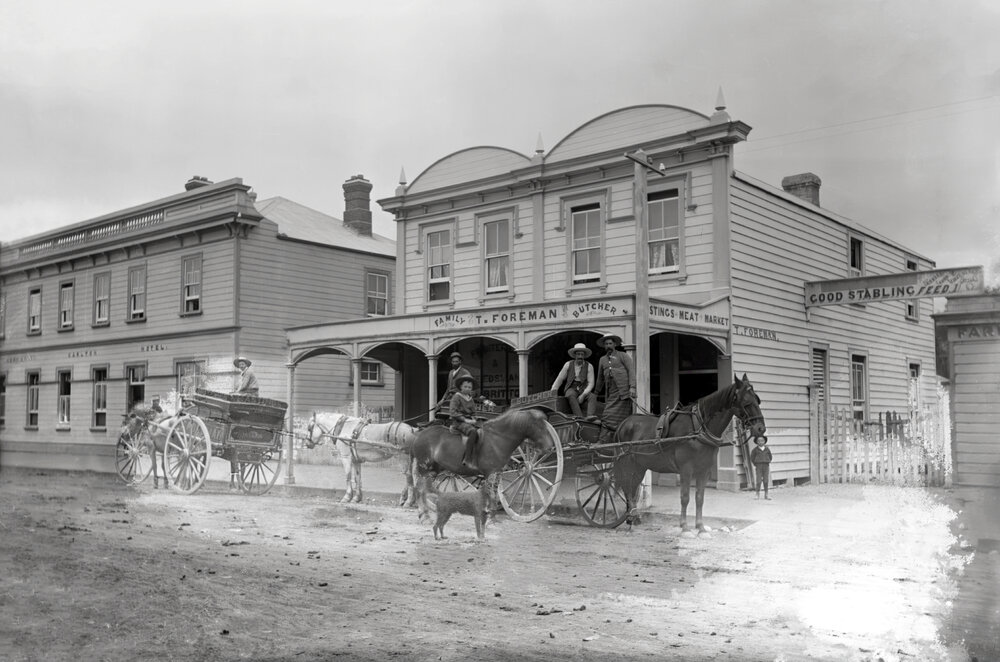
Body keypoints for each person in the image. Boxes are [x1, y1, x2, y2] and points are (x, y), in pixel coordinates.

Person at [594, 334, 636, 443]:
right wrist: (595, 392)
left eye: (610, 343)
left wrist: (632, 387)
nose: (608, 345)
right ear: (604, 346)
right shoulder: (602, 360)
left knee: (622, 418)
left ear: (615, 344)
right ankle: (605, 441)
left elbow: (631, 371)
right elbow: (600, 378)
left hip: (623, 392)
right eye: (606, 344)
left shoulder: (623, 356)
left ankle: (620, 441)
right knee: (607, 414)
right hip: (611, 393)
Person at [551, 342, 597, 420]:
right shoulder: (568, 364)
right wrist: (553, 390)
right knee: (570, 395)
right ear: (575, 355)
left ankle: (590, 416)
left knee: (592, 396)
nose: (580, 356)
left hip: (583, 388)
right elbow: (560, 379)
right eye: (578, 354)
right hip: (571, 387)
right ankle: (580, 417)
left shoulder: (589, 366)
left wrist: (583, 395)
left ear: (584, 356)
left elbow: (591, 383)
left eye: (582, 354)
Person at [450, 376, 481, 471]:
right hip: (458, 422)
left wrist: (474, 417)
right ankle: (467, 458)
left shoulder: (470, 398)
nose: (467, 389)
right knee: (473, 432)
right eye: (465, 386)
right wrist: (465, 420)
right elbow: (453, 412)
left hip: (470, 421)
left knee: (485, 430)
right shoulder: (456, 397)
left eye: (469, 387)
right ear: (461, 387)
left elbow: (473, 412)